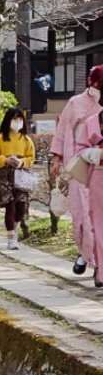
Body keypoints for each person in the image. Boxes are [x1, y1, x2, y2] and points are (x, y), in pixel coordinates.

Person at [51, 66, 103, 275]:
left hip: (98, 166)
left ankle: (96, 264)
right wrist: (57, 159)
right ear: (92, 82)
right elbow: (63, 131)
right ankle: (85, 254)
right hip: (82, 164)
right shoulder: (75, 103)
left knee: (97, 219)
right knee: (82, 216)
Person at [0, 107, 36, 250]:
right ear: (8, 121)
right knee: (10, 205)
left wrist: (23, 162)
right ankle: (11, 238)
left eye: (20, 119)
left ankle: (13, 226)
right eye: (14, 119)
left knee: (21, 206)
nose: (17, 122)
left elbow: (31, 158)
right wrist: (5, 160)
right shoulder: (0, 139)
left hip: (21, 175)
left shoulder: (26, 140)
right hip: (5, 176)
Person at [74, 110, 103, 287]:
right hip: (99, 175)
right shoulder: (94, 121)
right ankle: (101, 269)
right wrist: (97, 154)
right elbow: (81, 150)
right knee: (99, 225)